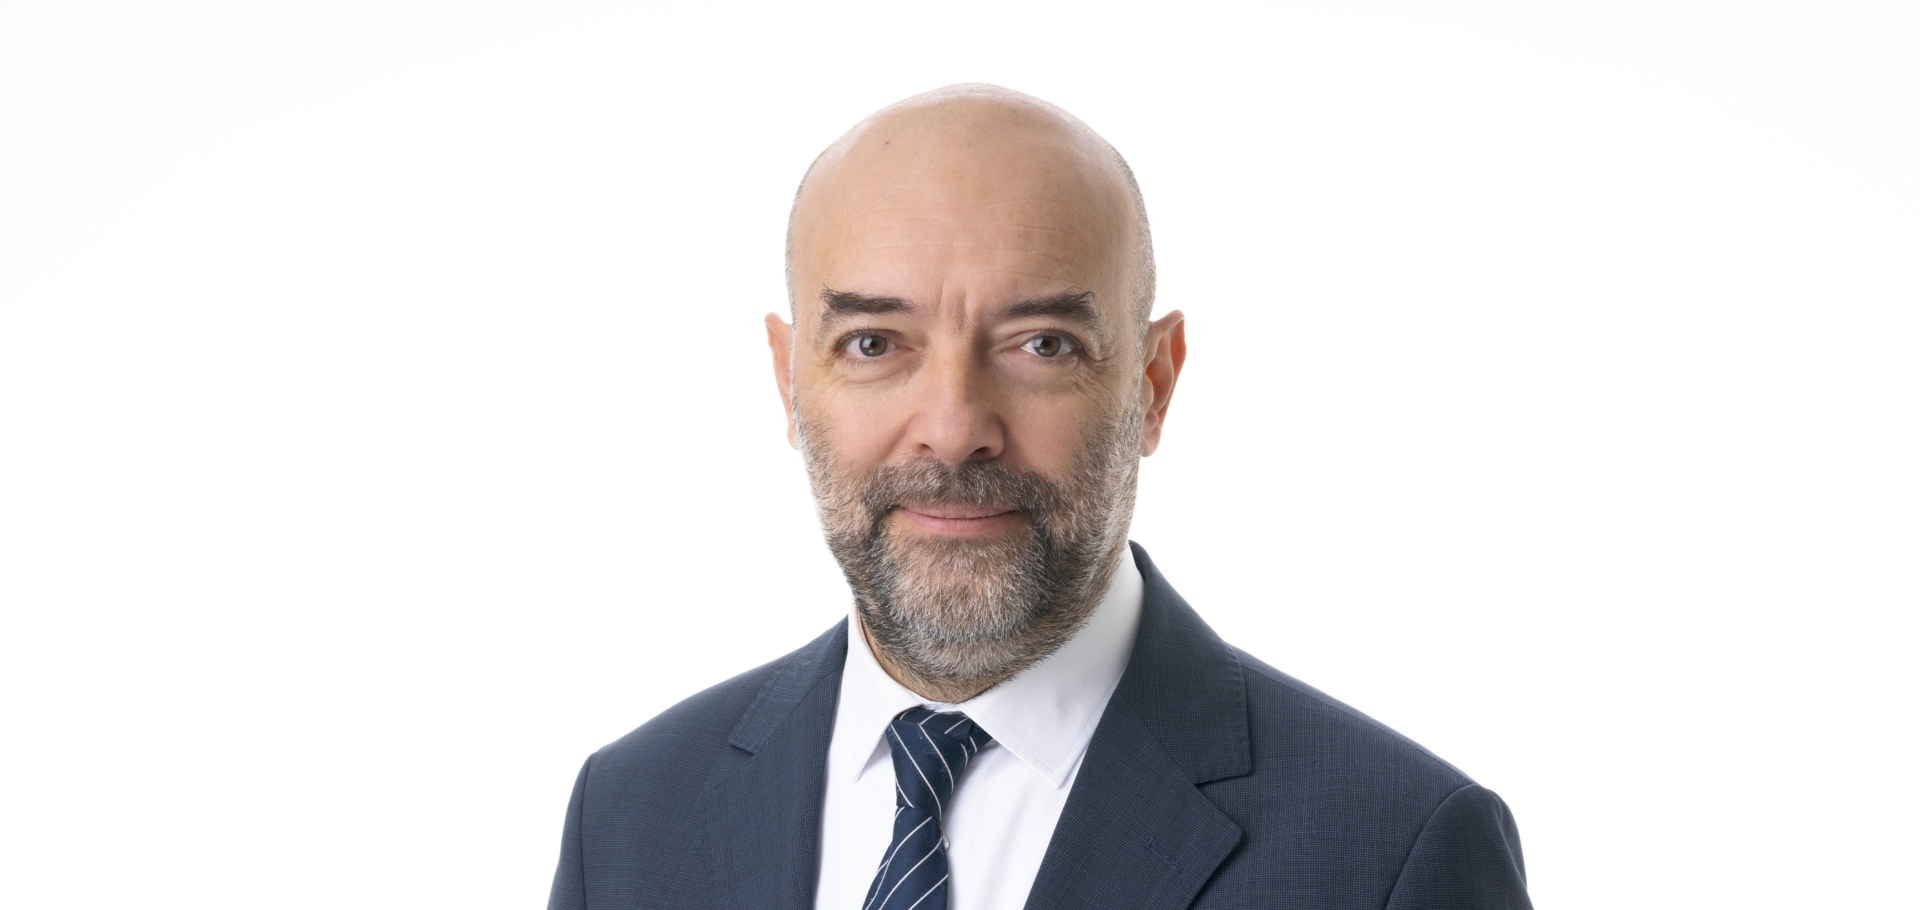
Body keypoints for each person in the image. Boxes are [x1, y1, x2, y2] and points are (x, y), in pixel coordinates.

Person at [546, 84, 1532, 910]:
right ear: (788, 382)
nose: (952, 426)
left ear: (1153, 384)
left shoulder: (1396, 854)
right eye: (873, 343)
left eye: (1042, 344)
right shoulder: (629, 818)